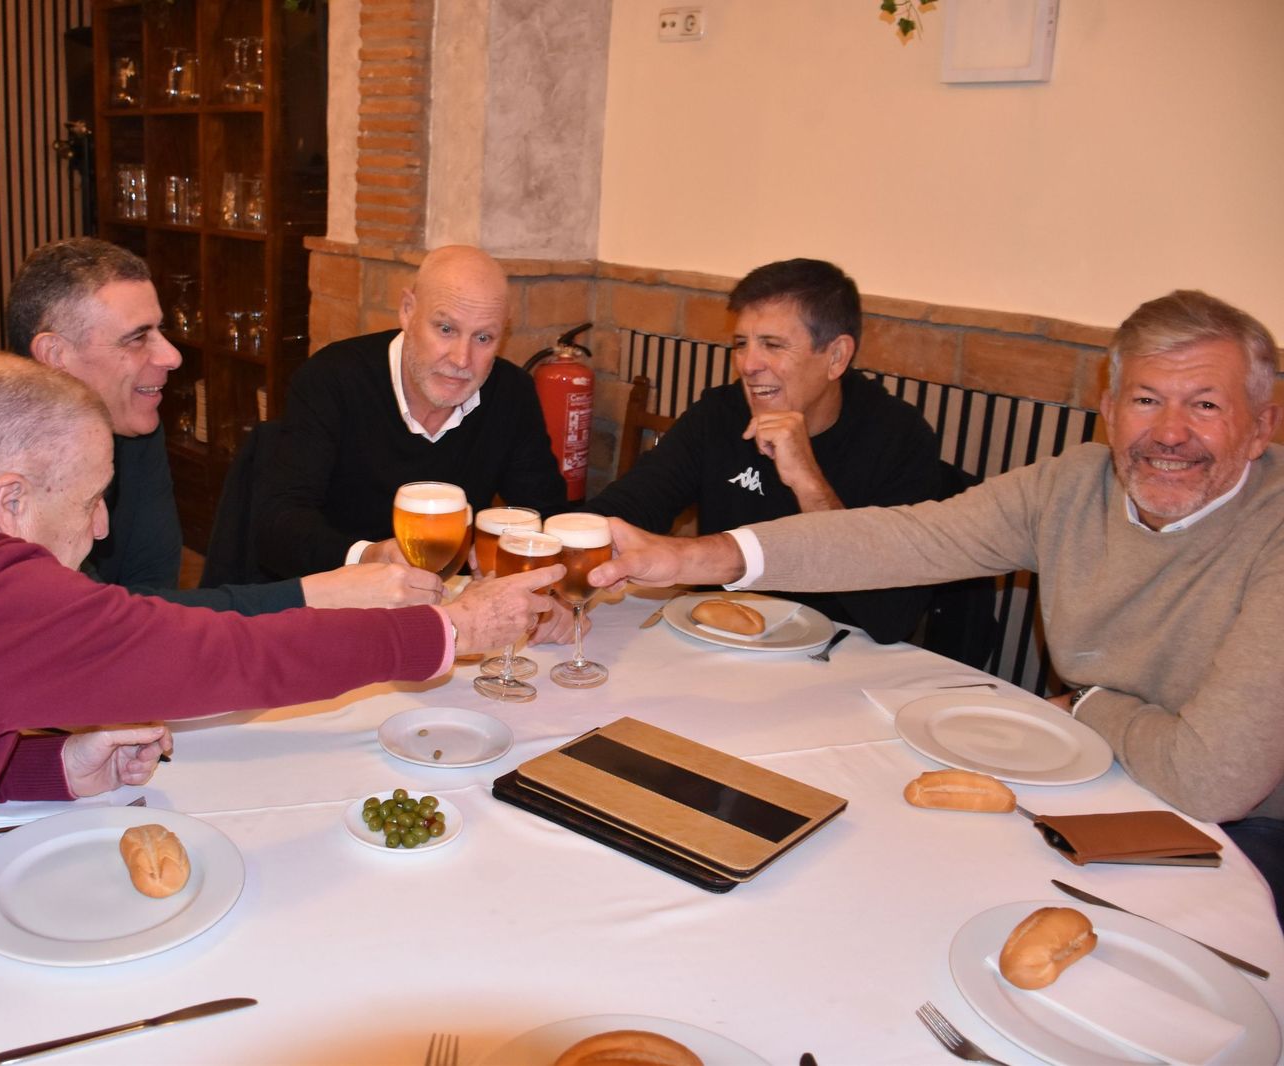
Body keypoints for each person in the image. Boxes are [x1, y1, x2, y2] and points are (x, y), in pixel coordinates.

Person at [0, 352, 559, 1065]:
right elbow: (227, 659)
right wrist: (447, 629)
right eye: (91, 498)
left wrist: (54, 766)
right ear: (11, 498)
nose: (102, 527)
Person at [590, 290, 1284, 919]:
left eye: (1205, 405)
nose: (1170, 433)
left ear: (1261, 427)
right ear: (1109, 412)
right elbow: (905, 539)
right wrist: (688, 558)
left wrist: (1090, 702)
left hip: (1247, 829)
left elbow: (1211, 780)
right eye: (1146, 400)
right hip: (1098, 769)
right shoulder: (1072, 484)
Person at [6, 237, 442, 613]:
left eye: (160, 331)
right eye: (137, 338)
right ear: (55, 355)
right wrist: (321, 593)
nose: (171, 356)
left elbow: (153, 601)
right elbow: (91, 619)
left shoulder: (136, 430)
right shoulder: (6, 473)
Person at [586, 258, 942, 643]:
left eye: (772, 345)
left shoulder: (898, 437)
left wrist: (807, 481)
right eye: (741, 344)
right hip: (714, 642)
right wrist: (561, 554)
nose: (748, 364)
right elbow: (627, 507)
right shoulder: (721, 414)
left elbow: (893, 617)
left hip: (840, 655)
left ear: (836, 356)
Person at [252, 244, 570, 579]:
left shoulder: (511, 392)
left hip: (452, 598)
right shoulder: (331, 379)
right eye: (446, 329)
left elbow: (545, 515)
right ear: (407, 311)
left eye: (483, 338)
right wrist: (368, 557)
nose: (461, 359)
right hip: (336, 593)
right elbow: (277, 526)